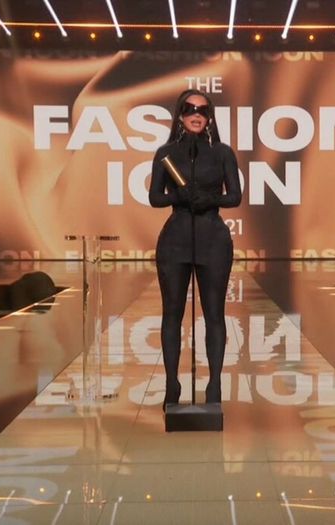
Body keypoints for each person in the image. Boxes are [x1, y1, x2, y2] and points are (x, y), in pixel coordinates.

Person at [149, 89, 242, 409]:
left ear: (210, 116)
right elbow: (155, 197)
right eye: (189, 109)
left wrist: (210, 198)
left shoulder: (223, 153)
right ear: (180, 114)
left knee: (214, 313)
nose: (196, 114)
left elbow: (235, 196)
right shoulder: (165, 153)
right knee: (171, 313)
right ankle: (171, 383)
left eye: (202, 110)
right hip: (175, 241)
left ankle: (214, 384)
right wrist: (178, 196)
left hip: (213, 240)